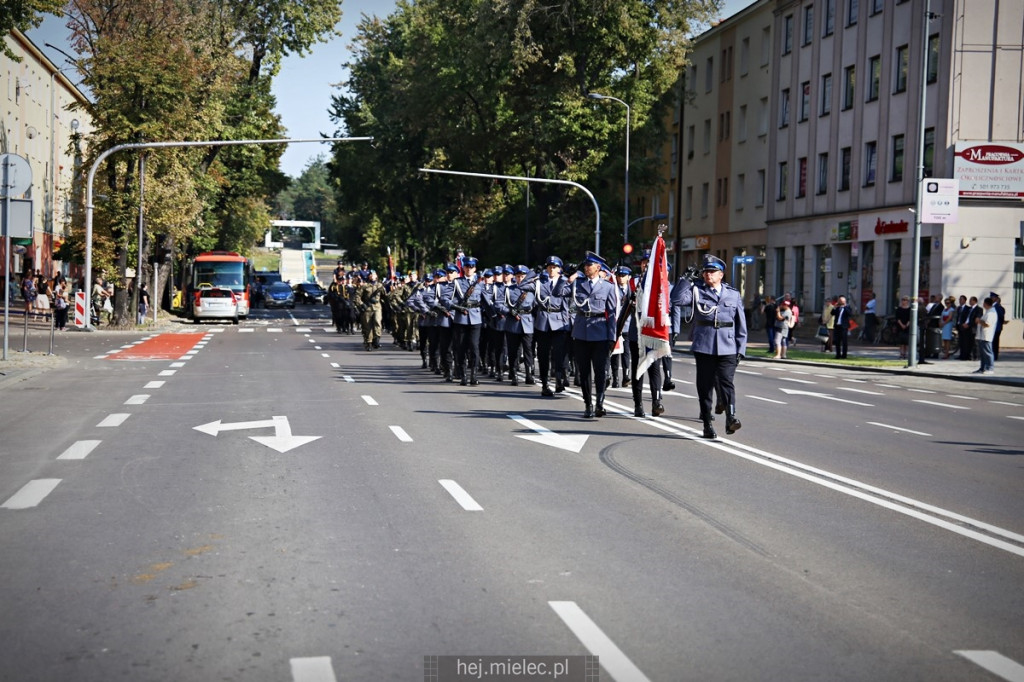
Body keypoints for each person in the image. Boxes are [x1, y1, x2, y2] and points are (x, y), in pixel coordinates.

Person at [671, 254, 747, 439]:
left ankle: (731, 417)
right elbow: (676, 300)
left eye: (712, 271)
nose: (707, 274)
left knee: (726, 382)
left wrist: (741, 349)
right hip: (704, 345)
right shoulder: (697, 291)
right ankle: (707, 423)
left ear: (721, 274)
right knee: (704, 387)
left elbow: (740, 324)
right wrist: (684, 280)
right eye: (705, 271)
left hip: (728, 345)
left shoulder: (733, 294)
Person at [568, 252, 617, 418]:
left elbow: (611, 314)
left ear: (598, 267)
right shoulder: (578, 284)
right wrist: (570, 275)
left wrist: (612, 337)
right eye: (585, 265)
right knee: (583, 371)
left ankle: (600, 402)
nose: (586, 268)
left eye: (589, 265)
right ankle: (588, 403)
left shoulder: (608, 287)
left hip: (601, 332)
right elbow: (560, 292)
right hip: (581, 332)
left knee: (601, 371)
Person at [533, 256, 572, 396]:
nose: (551, 269)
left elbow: (570, 298)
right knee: (543, 355)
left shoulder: (565, 283)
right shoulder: (540, 282)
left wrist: (572, 275)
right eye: (549, 267)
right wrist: (533, 273)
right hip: (543, 322)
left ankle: (559, 380)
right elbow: (522, 286)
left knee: (559, 355)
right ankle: (544, 384)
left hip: (559, 322)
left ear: (560, 269)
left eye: (554, 267)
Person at [447, 256, 484, 386]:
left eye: (472, 267)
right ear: (463, 268)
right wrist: (457, 307)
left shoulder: (480, 283)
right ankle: (463, 375)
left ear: (475, 269)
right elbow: (446, 299)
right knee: (461, 348)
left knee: (474, 347)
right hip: (460, 319)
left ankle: (473, 375)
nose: (469, 269)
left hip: (476, 318)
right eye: (467, 266)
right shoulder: (457, 282)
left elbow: (486, 300)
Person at [498, 265, 537, 386]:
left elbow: (536, 306)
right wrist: (509, 311)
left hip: (527, 323)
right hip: (512, 323)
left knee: (528, 351)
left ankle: (529, 374)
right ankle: (513, 374)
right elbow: (498, 304)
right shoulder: (509, 289)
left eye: (522, 276)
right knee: (513, 350)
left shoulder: (532, 290)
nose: (520, 279)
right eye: (518, 276)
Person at [356, 270, 385, 351]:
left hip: (377, 307)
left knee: (377, 322)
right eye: (371, 275)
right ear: (369, 276)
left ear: (376, 276)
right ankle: (368, 342)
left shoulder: (380, 286)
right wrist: (362, 304)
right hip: (367, 308)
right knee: (367, 326)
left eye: (374, 274)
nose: (372, 276)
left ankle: (377, 339)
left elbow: (384, 296)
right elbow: (357, 296)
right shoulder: (364, 286)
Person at [974, 297, 997, 375]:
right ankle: (982, 368)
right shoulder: (987, 311)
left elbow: (987, 324)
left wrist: (979, 321)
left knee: (988, 352)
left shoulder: (991, 313)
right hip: (982, 336)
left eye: (984, 303)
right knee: (983, 354)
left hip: (987, 336)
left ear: (986, 304)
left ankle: (990, 368)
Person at [831, 295, 851, 359]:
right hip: (837, 326)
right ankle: (838, 355)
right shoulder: (838, 308)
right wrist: (834, 307)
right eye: (839, 301)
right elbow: (832, 313)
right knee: (837, 341)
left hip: (844, 327)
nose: (840, 302)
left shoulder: (847, 307)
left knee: (844, 341)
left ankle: (844, 355)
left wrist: (844, 306)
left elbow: (849, 314)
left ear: (844, 301)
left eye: (841, 301)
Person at [991, 292, 1005, 361]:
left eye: (992, 297)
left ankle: (995, 356)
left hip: (996, 327)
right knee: (992, 342)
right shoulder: (992, 306)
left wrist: (1000, 324)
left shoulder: (997, 307)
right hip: (992, 327)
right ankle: (992, 355)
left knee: (995, 342)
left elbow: (1001, 316)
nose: (991, 298)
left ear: (996, 298)